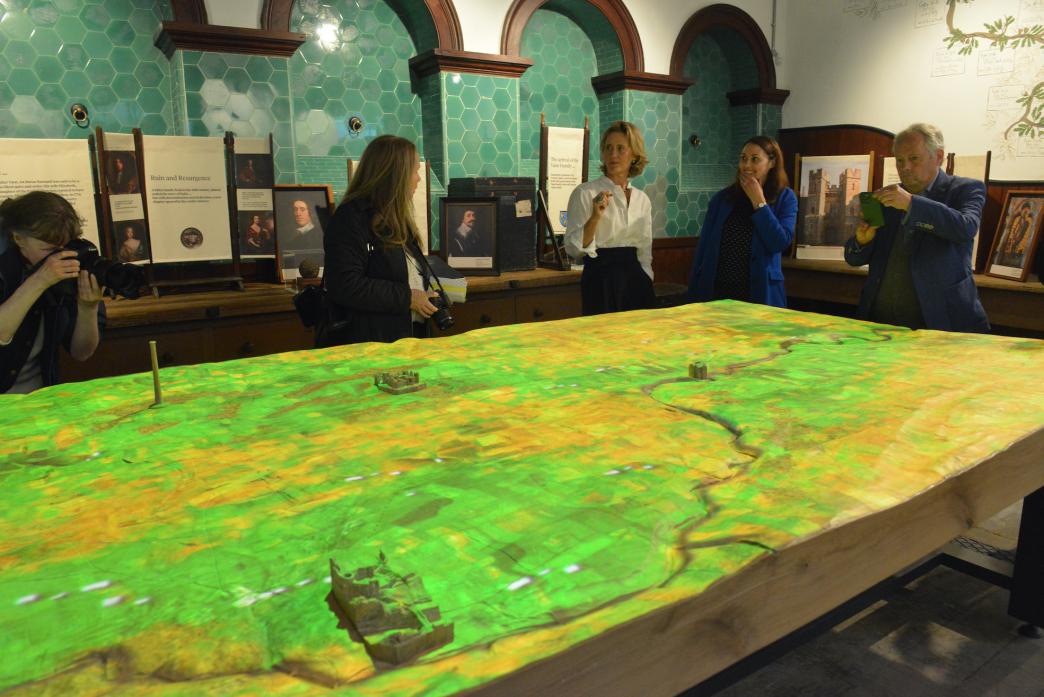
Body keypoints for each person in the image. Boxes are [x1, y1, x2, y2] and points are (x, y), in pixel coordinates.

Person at [844, 123, 988, 332]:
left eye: (913, 159)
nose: (905, 168)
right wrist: (861, 241)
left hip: (941, 325)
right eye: (900, 161)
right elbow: (853, 259)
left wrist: (912, 205)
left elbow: (965, 228)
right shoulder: (885, 197)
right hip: (880, 325)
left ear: (938, 157)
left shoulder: (966, 189)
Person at [320, 134, 438, 346]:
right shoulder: (350, 219)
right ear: (396, 175)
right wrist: (407, 298)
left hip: (406, 341)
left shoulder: (397, 219)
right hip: (370, 346)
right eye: (415, 171)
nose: (418, 179)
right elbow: (345, 285)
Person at [0, 191, 105, 394]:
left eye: (65, 247)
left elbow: (82, 352)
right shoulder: (5, 272)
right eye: (49, 250)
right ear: (18, 239)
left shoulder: (72, 268)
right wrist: (40, 281)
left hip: (40, 399)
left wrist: (88, 308)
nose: (59, 257)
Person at [687, 135, 797, 307]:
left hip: (760, 293)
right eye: (743, 159)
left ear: (772, 163)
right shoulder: (722, 199)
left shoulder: (785, 198)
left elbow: (779, 242)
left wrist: (759, 203)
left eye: (755, 160)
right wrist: (692, 296)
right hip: (718, 292)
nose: (747, 166)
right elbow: (703, 249)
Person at [565, 121, 655, 315]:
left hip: (636, 280)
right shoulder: (584, 193)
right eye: (608, 148)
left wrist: (647, 276)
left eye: (620, 148)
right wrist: (595, 216)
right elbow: (574, 249)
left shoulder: (642, 199)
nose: (613, 155)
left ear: (634, 155)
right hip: (600, 280)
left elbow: (644, 250)